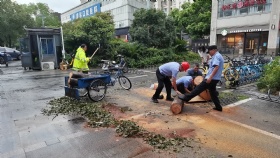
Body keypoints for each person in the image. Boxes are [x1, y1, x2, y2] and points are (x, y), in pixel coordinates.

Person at [179, 45, 224, 112]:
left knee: (199, 88)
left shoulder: (217, 56)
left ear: (214, 50)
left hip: (212, 78)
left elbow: (216, 67)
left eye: (210, 51)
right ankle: (218, 107)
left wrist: (210, 78)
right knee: (212, 93)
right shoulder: (218, 56)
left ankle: (186, 98)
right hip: (215, 78)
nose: (209, 53)